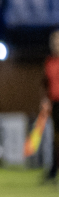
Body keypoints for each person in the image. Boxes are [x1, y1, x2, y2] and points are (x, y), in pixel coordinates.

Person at [43, 30, 59, 183]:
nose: (55, 44)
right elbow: (47, 84)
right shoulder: (49, 62)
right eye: (53, 41)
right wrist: (46, 99)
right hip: (55, 103)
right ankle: (53, 171)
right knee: (55, 139)